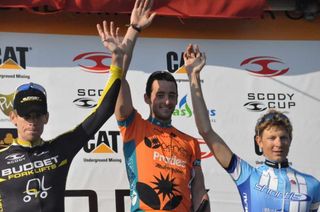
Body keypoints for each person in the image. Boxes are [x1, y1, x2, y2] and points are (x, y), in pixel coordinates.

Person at [0, 21, 126, 211]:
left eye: (38, 115)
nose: (33, 121)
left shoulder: (61, 148)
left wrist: (117, 60)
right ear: (13, 117)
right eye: (27, 116)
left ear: (46, 117)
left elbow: (103, 111)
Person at [98, 0, 210, 211]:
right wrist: (134, 29)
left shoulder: (191, 143)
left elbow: (199, 190)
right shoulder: (134, 126)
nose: (167, 101)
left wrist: (193, 75)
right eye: (160, 95)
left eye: (171, 95)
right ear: (147, 98)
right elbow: (119, 79)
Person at [183, 44, 320, 211]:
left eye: (283, 137)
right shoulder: (247, 176)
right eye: (271, 138)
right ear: (259, 141)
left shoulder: (312, 184)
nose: (278, 143)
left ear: (290, 140)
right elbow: (206, 131)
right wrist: (193, 76)